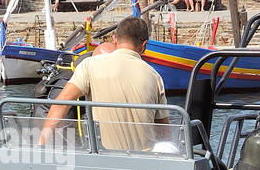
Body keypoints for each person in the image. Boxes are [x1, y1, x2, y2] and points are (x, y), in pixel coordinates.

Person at [37, 16, 168, 152]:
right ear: (144, 45)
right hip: (146, 163)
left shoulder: (90, 65)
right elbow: (164, 133)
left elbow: (59, 106)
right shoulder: (155, 77)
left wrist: (40, 147)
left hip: (105, 159)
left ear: (115, 39)